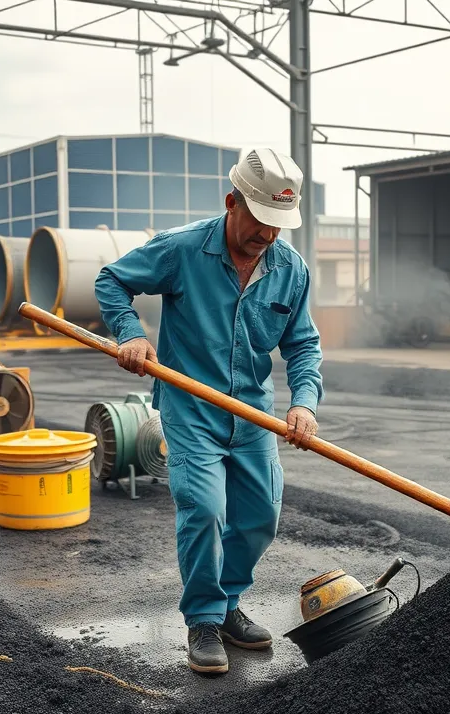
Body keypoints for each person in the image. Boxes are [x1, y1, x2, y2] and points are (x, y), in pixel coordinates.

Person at [94, 148, 323, 675]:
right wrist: (131, 334)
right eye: (260, 219)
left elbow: (303, 345)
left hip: (253, 414)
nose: (268, 234)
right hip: (191, 409)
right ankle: (202, 618)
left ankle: (227, 605)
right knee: (204, 509)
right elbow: (112, 280)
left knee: (260, 515)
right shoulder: (182, 249)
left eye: (278, 224)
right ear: (232, 202)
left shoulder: (291, 269)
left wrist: (304, 403)